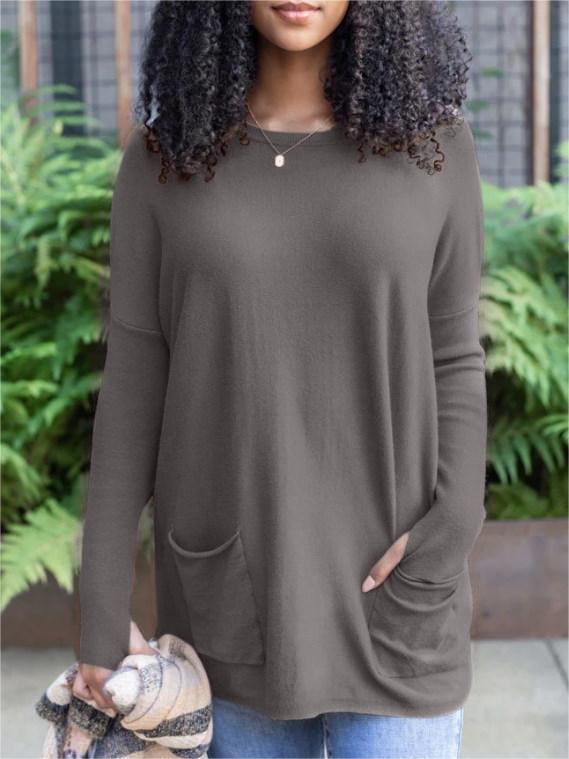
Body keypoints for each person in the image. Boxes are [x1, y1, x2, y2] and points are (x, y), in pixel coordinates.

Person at [73, 1, 488, 757]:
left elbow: (455, 353)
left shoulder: (434, 146)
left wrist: (453, 522)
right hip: (228, 610)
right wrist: (99, 609)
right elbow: (132, 387)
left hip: (396, 606)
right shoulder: (164, 160)